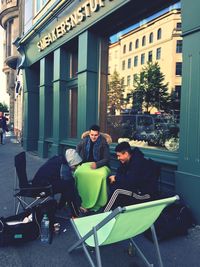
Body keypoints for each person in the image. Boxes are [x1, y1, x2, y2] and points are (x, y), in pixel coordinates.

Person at [104, 142, 160, 211]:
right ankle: (117, 209)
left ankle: (103, 214)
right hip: (135, 188)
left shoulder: (138, 163)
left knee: (117, 190)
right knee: (111, 181)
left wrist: (116, 178)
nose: (118, 158)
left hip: (144, 193)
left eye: (119, 156)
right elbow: (121, 174)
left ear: (126, 154)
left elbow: (130, 181)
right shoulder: (126, 161)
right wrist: (115, 178)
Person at [32, 149, 83, 217]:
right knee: (68, 187)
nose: (76, 168)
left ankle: (61, 207)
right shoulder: (64, 167)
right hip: (41, 189)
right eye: (75, 165)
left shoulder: (59, 158)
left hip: (38, 184)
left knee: (68, 185)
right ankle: (75, 213)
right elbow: (71, 186)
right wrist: (79, 204)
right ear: (71, 161)